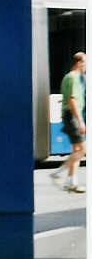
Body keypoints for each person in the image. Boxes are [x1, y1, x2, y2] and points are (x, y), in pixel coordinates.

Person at [50, 52, 86, 193]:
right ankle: (58, 173)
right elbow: (72, 100)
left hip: (69, 115)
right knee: (83, 150)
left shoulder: (71, 77)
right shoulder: (73, 78)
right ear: (78, 63)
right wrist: (80, 120)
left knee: (76, 150)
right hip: (72, 116)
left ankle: (71, 181)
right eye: (85, 62)